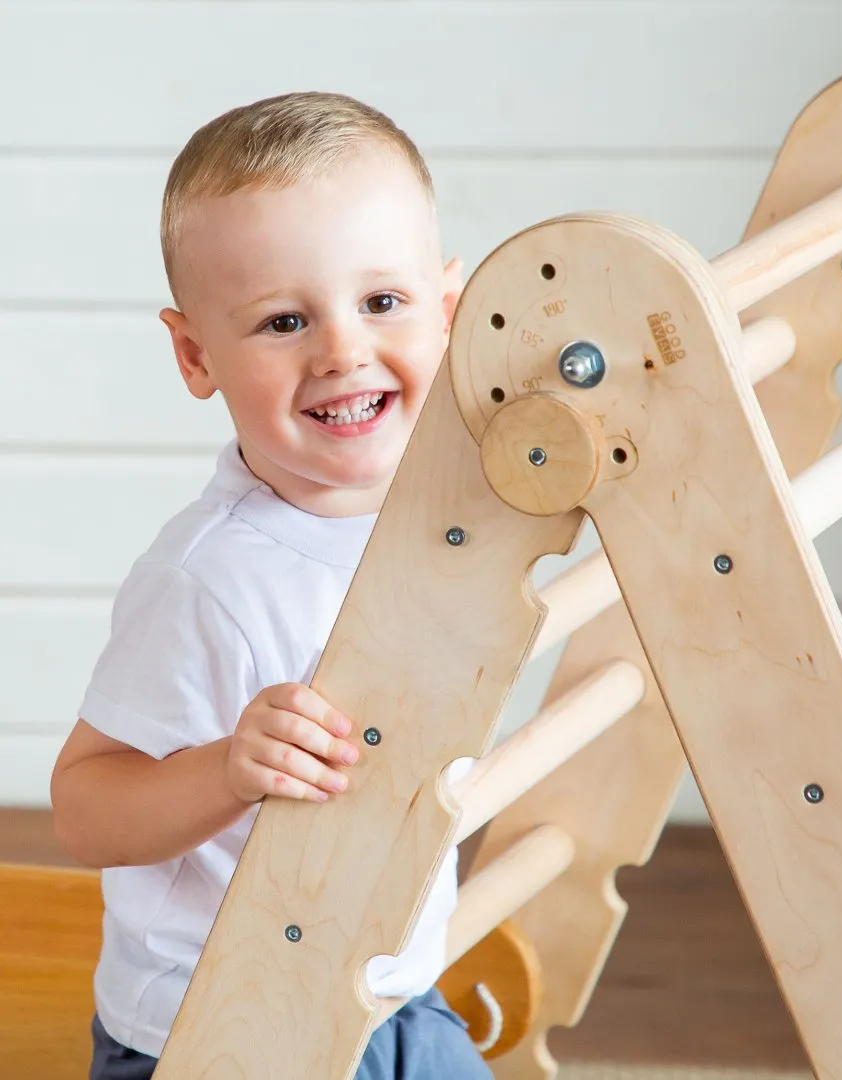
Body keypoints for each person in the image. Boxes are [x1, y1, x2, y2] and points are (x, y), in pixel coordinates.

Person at [49, 90, 490, 1080]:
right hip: (220, 1029)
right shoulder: (211, 580)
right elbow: (81, 809)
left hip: (393, 987)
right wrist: (227, 769)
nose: (341, 350)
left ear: (449, 311)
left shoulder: (454, 509)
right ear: (196, 355)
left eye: (382, 302)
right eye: (285, 320)